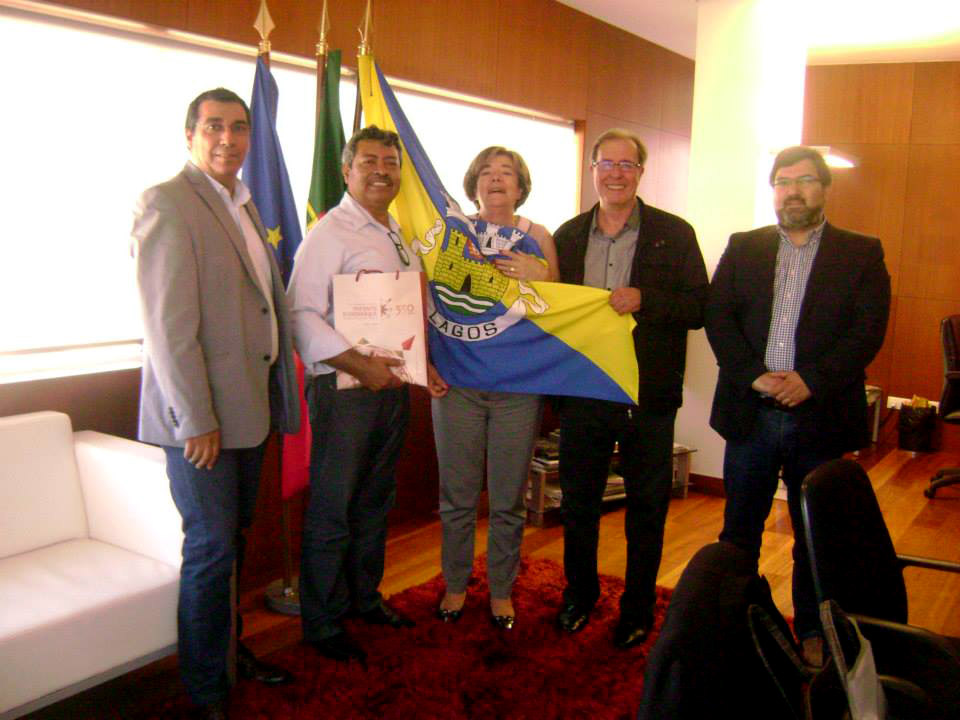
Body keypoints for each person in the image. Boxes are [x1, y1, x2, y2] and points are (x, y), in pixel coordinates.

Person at [132, 87, 300, 720]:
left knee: (232, 541)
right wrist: (195, 421)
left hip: (249, 412)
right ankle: (206, 689)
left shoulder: (243, 203)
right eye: (213, 127)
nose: (228, 138)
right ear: (190, 135)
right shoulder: (167, 202)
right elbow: (166, 328)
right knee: (209, 551)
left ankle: (229, 653)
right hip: (201, 424)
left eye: (239, 127)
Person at [705, 145, 891, 664]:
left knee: (815, 536)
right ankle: (735, 622)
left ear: (824, 189)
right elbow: (719, 318)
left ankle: (812, 631)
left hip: (820, 415)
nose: (792, 191)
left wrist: (812, 380)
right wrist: (755, 376)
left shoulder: (861, 252)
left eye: (805, 180)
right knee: (739, 530)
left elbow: (867, 330)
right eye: (783, 182)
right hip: (751, 414)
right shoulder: (744, 247)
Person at [287, 126, 448, 663]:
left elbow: (404, 312)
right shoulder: (330, 233)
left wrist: (422, 366)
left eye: (390, 162)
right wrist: (360, 365)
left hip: (391, 388)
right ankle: (322, 622)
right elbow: (300, 315)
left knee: (374, 501)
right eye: (369, 161)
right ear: (346, 170)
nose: (382, 170)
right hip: (345, 391)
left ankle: (363, 598)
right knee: (334, 508)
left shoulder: (395, 230)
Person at [553, 129, 708, 648]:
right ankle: (580, 596)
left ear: (641, 172)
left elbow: (699, 307)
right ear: (592, 169)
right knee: (579, 502)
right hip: (583, 389)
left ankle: (638, 608)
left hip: (649, 393)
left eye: (627, 165)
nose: (616, 174)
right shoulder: (568, 236)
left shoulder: (675, 234)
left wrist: (647, 298)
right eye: (607, 163)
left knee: (647, 506)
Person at [433, 146, 558, 630]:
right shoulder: (452, 231)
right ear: (474, 183)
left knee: (508, 499)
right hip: (458, 384)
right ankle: (455, 585)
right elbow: (431, 295)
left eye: (507, 172)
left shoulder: (539, 236)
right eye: (487, 171)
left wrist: (541, 275)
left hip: (517, 388)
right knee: (457, 498)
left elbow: (560, 309)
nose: (496, 179)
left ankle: (501, 591)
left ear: (521, 186)